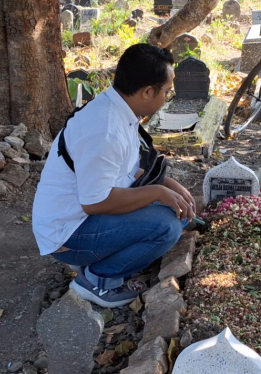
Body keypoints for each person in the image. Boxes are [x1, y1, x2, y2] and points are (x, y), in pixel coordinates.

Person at [32, 44, 196, 308]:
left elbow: (125, 172)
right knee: (166, 227)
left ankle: (102, 257)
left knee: (167, 208)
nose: (168, 97)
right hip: (68, 232)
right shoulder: (105, 129)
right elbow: (95, 203)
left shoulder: (118, 109)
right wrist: (157, 192)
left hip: (83, 216)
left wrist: (167, 184)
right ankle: (98, 280)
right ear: (147, 91)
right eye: (167, 91)